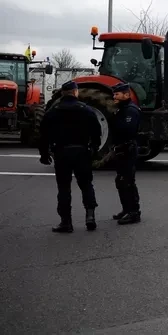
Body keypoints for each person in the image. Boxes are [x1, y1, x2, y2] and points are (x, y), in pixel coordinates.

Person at [38, 81, 101, 233]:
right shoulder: (86, 110)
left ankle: (66, 222)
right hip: (81, 152)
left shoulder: (53, 111)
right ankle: (90, 217)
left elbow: (43, 135)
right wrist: (93, 149)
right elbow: (96, 132)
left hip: (61, 153)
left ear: (63, 93)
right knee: (86, 185)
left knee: (64, 188)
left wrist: (44, 154)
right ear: (75, 92)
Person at [111, 82, 142, 225]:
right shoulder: (121, 109)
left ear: (126, 95)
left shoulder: (130, 110)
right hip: (120, 149)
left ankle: (134, 212)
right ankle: (126, 209)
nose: (114, 96)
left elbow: (127, 130)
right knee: (121, 181)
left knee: (128, 182)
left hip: (127, 149)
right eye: (114, 94)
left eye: (117, 94)